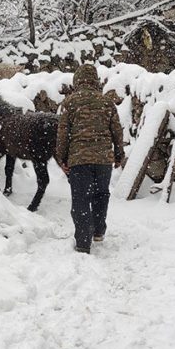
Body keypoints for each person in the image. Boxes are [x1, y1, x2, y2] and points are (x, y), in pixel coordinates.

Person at [55, 64, 125, 253]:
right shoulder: (106, 102)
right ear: (95, 80)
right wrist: (119, 155)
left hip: (79, 160)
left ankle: (83, 242)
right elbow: (117, 131)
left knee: (81, 199)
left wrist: (61, 158)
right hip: (103, 160)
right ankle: (98, 231)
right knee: (101, 194)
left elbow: (63, 134)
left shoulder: (69, 103)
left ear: (76, 81)